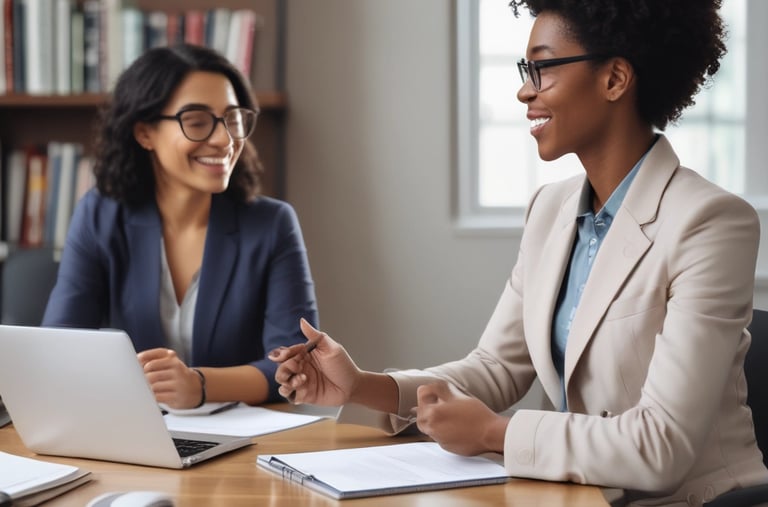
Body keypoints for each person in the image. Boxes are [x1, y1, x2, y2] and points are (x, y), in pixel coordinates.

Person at [271, 0, 768, 505]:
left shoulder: (710, 221)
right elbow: (495, 369)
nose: (524, 89)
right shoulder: (550, 209)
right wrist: (359, 386)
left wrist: (496, 434)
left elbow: (663, 444)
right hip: (585, 494)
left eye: (542, 67)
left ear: (615, 79)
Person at [43, 44, 318, 409]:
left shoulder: (272, 224)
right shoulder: (99, 215)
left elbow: (295, 366)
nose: (224, 139)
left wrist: (200, 385)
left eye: (232, 118)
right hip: (135, 431)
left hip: (247, 439)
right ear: (145, 133)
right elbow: (57, 348)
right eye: (197, 121)